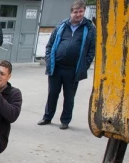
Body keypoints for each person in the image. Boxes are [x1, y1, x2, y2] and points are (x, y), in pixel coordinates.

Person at [38, 0, 96, 130]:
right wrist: (49, 60)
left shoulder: (89, 28)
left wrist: (84, 66)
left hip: (73, 70)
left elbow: (91, 50)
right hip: (57, 68)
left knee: (69, 97)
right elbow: (50, 45)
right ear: (71, 12)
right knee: (52, 94)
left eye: (81, 11)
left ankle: (65, 120)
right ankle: (47, 117)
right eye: (76, 12)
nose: (78, 14)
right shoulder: (62, 25)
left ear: (84, 11)